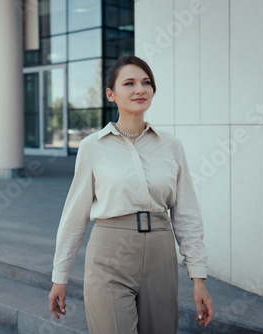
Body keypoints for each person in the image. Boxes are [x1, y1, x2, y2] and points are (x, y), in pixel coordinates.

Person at [48, 55, 214, 333]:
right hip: (109, 255)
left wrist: (198, 278)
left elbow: (187, 213)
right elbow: (74, 216)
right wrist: (59, 276)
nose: (140, 89)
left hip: (161, 255)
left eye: (146, 82)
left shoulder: (171, 146)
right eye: (130, 83)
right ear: (110, 94)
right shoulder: (92, 147)